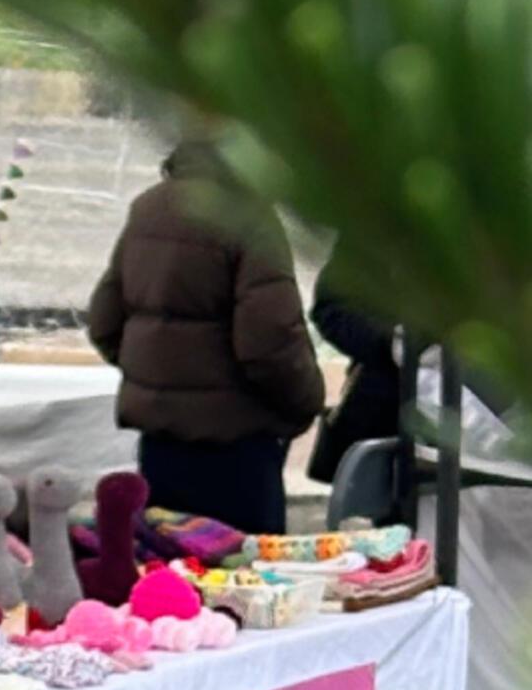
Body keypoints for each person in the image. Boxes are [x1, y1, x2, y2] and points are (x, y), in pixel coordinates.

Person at [86, 140, 324, 534]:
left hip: (161, 445)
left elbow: (104, 323)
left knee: (170, 579)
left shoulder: (148, 208)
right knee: (243, 583)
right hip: (238, 450)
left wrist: (156, 380)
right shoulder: (249, 218)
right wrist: (305, 404)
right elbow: (270, 341)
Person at [305, 244, 401, 503]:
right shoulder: (383, 221)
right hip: (395, 432)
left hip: (502, 433)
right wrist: (393, 342)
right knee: (401, 533)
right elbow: (332, 309)